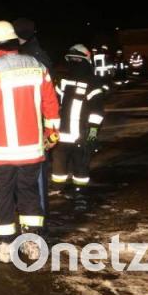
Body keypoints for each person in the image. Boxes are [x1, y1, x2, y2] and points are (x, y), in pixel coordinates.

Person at [0, 21, 60, 263]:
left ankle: (3, 246)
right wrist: (51, 132)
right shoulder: (37, 66)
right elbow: (51, 104)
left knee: (2, 197)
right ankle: (33, 243)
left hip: (0, 152)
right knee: (29, 194)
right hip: (32, 150)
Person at [51, 45, 106, 193]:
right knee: (79, 166)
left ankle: (60, 191)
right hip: (79, 136)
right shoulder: (93, 83)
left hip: (62, 136)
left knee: (61, 167)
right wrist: (92, 134)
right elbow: (97, 112)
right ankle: (78, 194)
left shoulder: (63, 80)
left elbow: (52, 105)